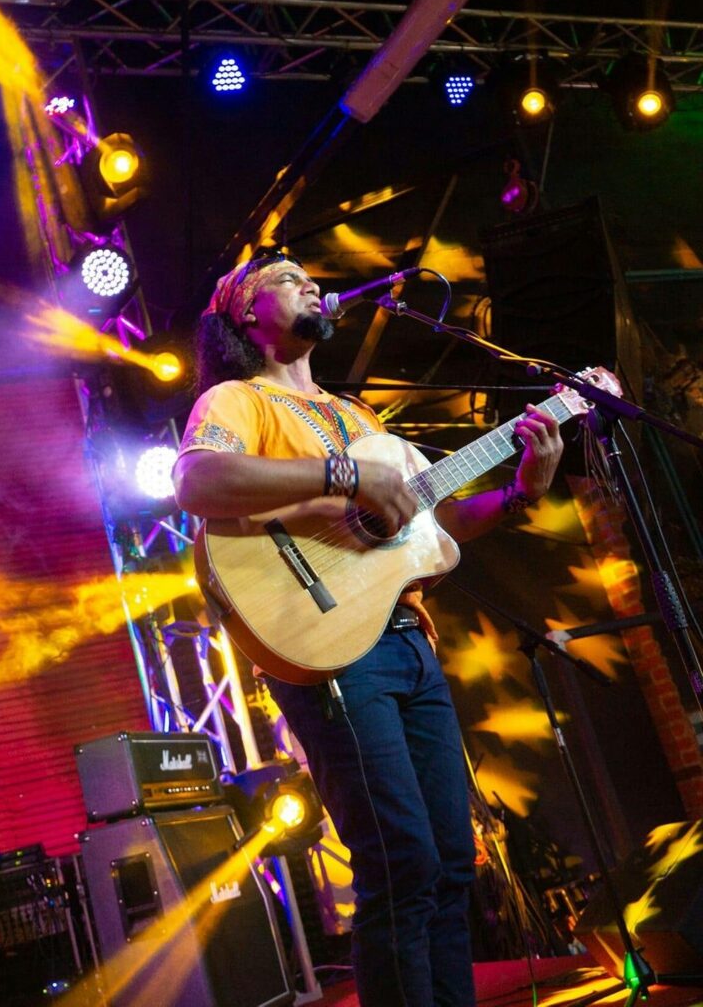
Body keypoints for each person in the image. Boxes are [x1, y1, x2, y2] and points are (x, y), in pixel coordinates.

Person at [172, 251, 564, 1007]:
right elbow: (197, 480)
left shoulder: (358, 417)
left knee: (451, 861)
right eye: (286, 278)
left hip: (407, 641)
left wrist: (519, 494)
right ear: (245, 313)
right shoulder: (237, 400)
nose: (311, 284)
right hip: (330, 653)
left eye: (310, 277)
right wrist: (344, 476)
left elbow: (430, 528)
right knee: (400, 861)